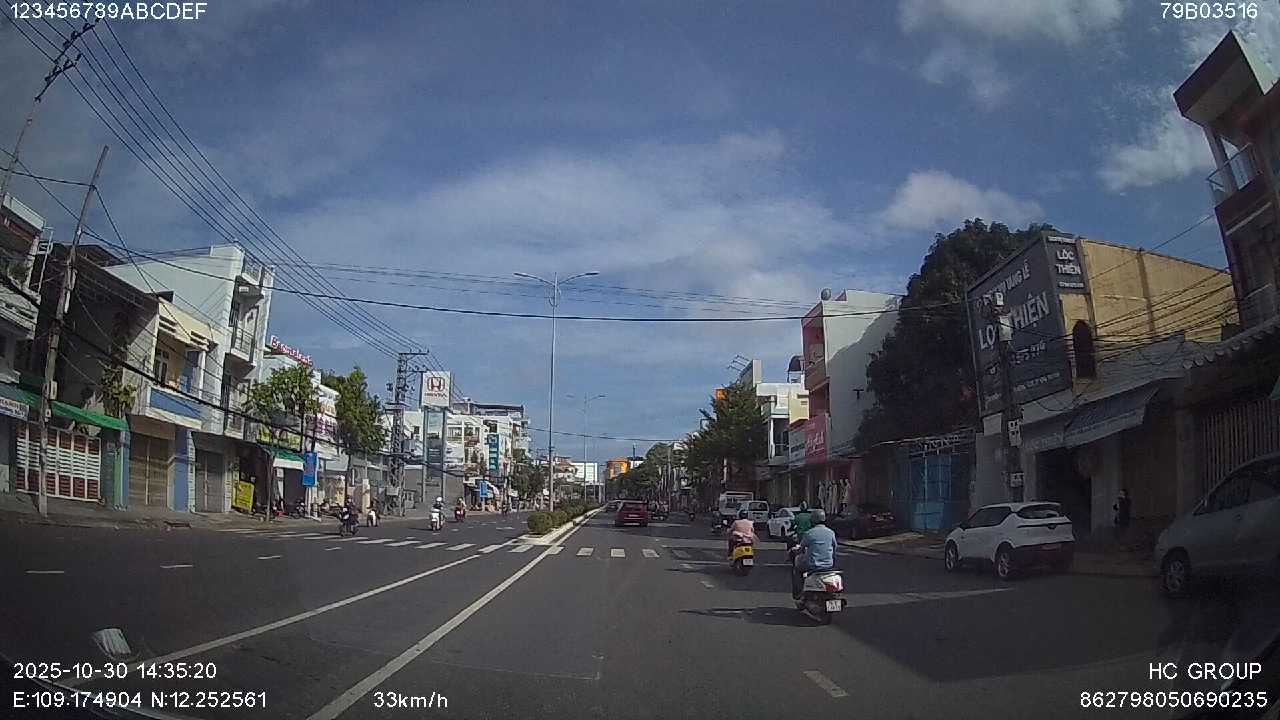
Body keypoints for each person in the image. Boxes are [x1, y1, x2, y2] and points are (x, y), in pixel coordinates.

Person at [792, 508, 837, 599]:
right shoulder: (831, 532)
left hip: (813, 565)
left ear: (812, 520)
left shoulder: (809, 533)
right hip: (828, 565)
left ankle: (798, 593)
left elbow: (801, 549)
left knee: (797, 567)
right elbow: (834, 547)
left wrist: (796, 551)